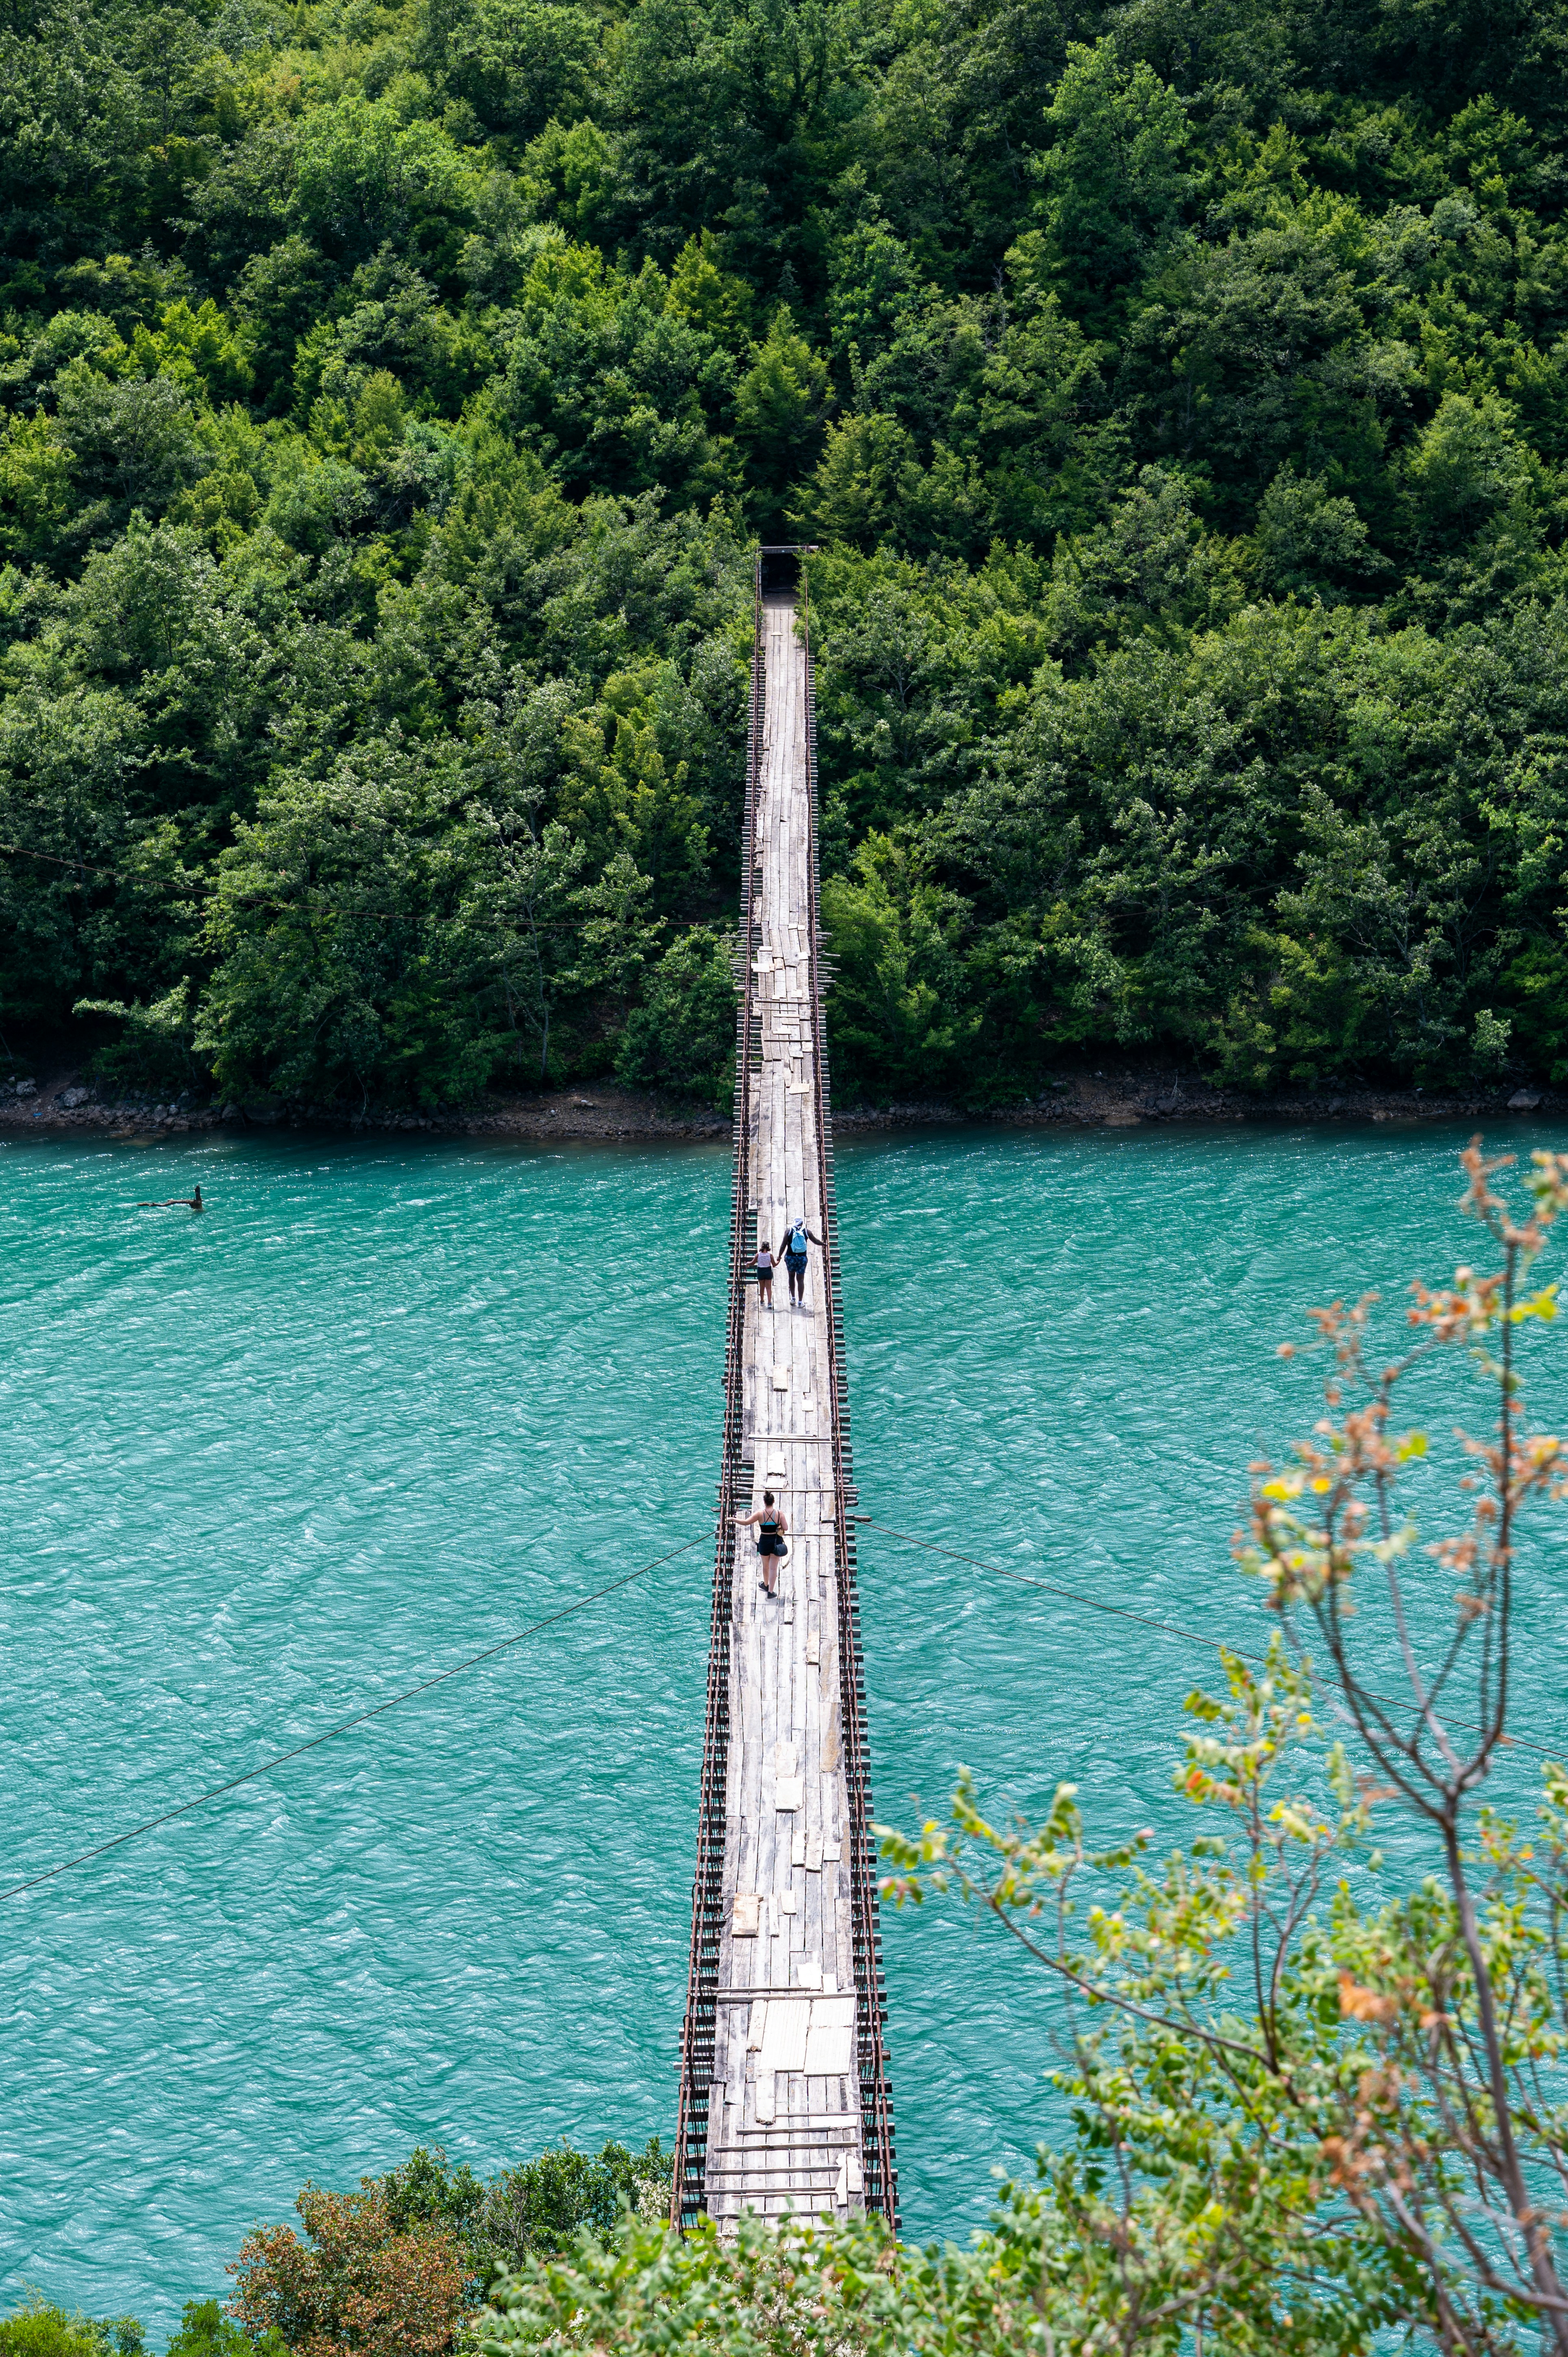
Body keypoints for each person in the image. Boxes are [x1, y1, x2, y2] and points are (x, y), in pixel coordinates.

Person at [735, 1490, 788, 1594]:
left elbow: (746, 1523)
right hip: (776, 1541)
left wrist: (733, 1519)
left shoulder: (760, 1514)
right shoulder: (779, 1513)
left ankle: (766, 1584)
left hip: (764, 1541)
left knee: (766, 1566)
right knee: (773, 1568)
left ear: (765, 1502)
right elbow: (785, 1528)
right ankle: (771, 1592)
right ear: (774, 1502)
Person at [775, 1215, 822, 1307]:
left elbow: (783, 1245)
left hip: (790, 1258)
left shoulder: (789, 1231)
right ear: (802, 1223)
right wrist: (824, 1244)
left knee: (791, 1276)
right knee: (801, 1279)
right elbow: (816, 1241)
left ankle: (793, 1298)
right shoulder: (806, 1231)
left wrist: (780, 1256)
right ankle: (800, 1302)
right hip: (802, 1258)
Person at [754, 1236, 775, 1308]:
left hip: (760, 1271)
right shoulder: (770, 1256)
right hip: (768, 1271)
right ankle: (769, 1303)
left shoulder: (758, 1255)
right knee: (769, 1288)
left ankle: (762, 1301)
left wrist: (748, 1264)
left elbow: (753, 1263)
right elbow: (774, 1265)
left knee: (762, 1287)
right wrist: (779, 1260)